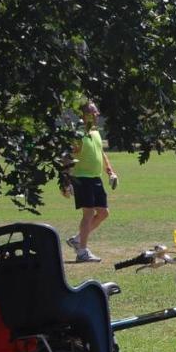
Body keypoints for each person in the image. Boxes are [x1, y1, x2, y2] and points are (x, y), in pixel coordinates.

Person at [62, 101, 117, 263]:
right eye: (92, 112)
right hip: (82, 178)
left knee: (103, 213)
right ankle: (82, 252)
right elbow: (66, 158)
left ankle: (78, 240)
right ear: (83, 115)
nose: (96, 114)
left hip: (95, 177)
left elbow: (101, 152)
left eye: (96, 112)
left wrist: (110, 171)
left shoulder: (94, 131)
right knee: (88, 214)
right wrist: (66, 181)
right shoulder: (78, 134)